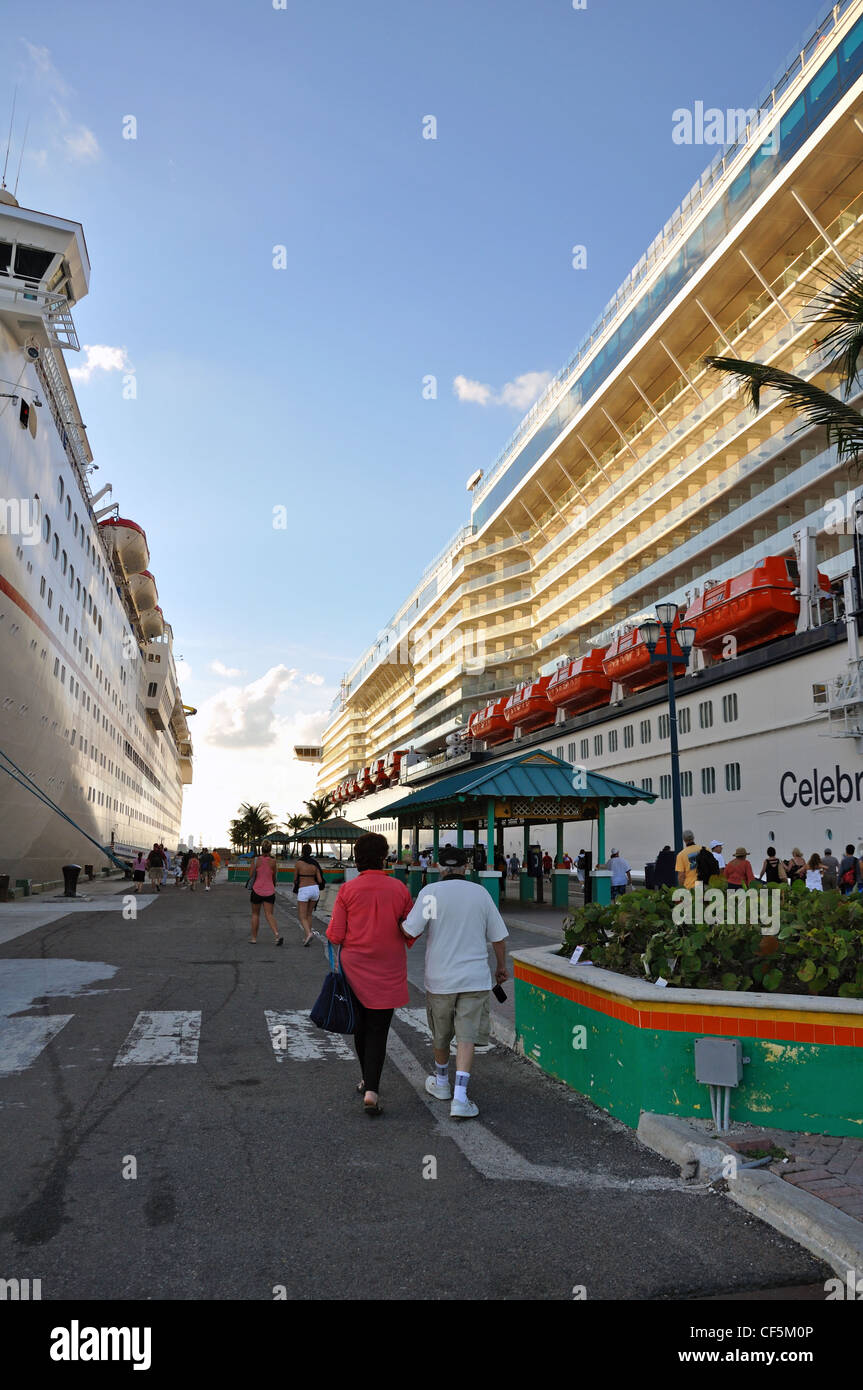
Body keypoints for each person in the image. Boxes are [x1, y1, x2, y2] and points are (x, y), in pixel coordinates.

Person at [403, 845, 508, 1120]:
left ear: (439, 867)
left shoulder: (430, 893)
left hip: (440, 979)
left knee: (441, 1033)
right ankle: (460, 1097)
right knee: (467, 1036)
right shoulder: (481, 893)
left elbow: (409, 930)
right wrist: (501, 967)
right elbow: (498, 937)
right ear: (466, 868)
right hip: (475, 978)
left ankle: (441, 1083)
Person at [326, 832, 413, 1116]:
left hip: (354, 969)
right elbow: (410, 931)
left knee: (360, 1026)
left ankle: (367, 1080)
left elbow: (336, 935)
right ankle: (372, 1090)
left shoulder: (348, 890)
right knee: (379, 1028)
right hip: (388, 968)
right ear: (383, 856)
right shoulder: (399, 888)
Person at [248, 840, 282, 945]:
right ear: (270, 849)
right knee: (269, 914)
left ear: (261, 848)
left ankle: (254, 938)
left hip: (257, 890)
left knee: (255, 914)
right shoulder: (273, 861)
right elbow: (274, 877)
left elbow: (250, 875)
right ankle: (276, 935)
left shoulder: (256, 860)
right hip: (269, 891)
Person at [294, 843, 325, 946]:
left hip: (304, 889)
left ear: (302, 852)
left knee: (302, 916)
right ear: (311, 852)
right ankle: (307, 936)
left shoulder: (298, 863)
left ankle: (308, 934)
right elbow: (320, 880)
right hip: (315, 890)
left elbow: (295, 879)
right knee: (309, 914)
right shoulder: (315, 864)